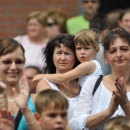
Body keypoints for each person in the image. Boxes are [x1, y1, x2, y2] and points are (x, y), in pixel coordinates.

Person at [70, 28, 130, 130]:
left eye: (124, 49)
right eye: (113, 51)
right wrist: (108, 112)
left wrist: (125, 103)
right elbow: (76, 124)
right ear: (105, 58)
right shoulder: (93, 83)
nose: (119, 55)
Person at [33, 28, 103, 88]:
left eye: (86, 48)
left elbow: (61, 78)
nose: (82, 52)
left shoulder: (89, 65)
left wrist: (41, 76)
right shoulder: (90, 66)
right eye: (78, 48)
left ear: (97, 50)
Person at [36, 34, 80, 121]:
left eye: (67, 53)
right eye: (59, 53)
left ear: (76, 58)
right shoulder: (44, 84)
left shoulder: (83, 83)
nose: (62, 58)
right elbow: (49, 118)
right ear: (52, 57)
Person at [0, 37, 40, 130]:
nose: (13, 67)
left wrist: (26, 110)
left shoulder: (36, 100)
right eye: (7, 61)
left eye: (18, 61)